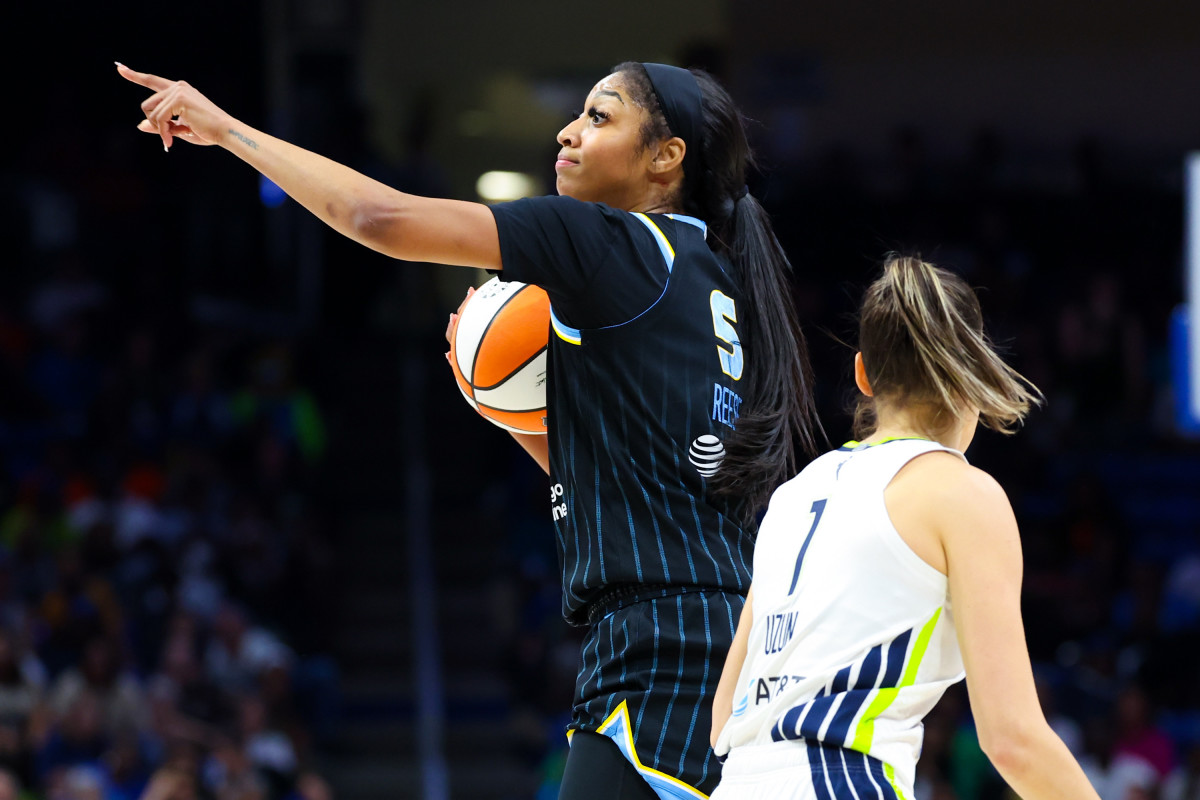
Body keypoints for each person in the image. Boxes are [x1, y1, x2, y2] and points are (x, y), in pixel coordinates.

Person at [117, 60, 822, 799]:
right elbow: (622, 477)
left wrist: (227, 130)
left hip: (662, 648)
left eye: (600, 117)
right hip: (727, 638)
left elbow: (378, 219)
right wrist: (497, 400)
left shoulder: (610, 241)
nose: (568, 130)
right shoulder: (714, 280)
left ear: (665, 157)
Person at [709, 256, 1102, 800]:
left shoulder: (793, 496)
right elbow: (1013, 739)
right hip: (842, 781)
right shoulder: (963, 494)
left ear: (863, 374)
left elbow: (723, 714)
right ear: (974, 374)